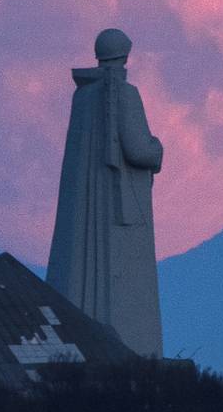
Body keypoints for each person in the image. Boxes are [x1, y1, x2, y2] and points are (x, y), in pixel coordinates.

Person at [46, 28, 164, 359]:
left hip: (86, 212)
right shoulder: (125, 94)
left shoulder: (82, 98)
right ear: (125, 56)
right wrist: (158, 149)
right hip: (117, 210)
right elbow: (139, 150)